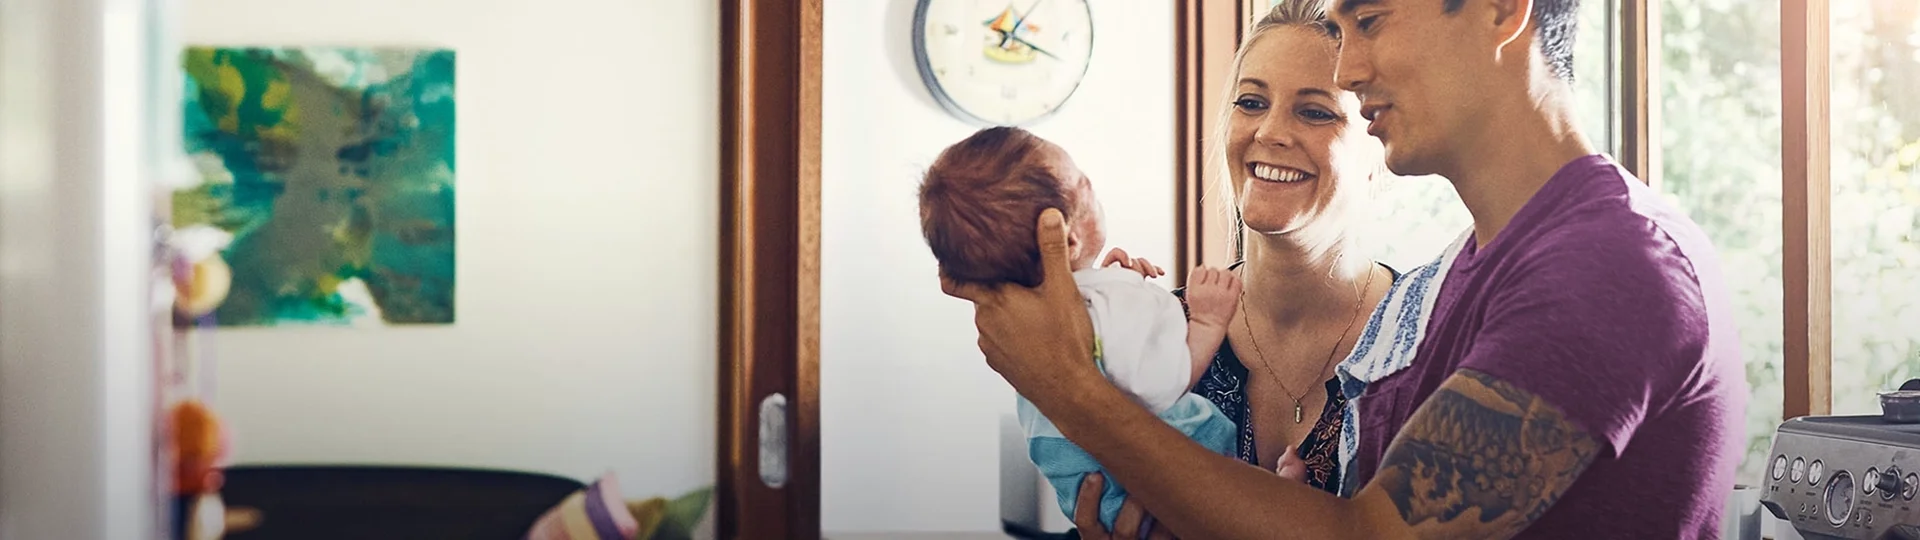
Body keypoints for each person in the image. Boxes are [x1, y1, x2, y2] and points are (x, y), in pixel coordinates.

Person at [941, 0, 1749, 537]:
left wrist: (1066, 385)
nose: (1352, 70)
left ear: (1503, 9)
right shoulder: (1471, 276)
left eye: (1369, 19)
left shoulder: (1604, 268)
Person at [915, 126, 1243, 529]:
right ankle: (1277, 491)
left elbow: (1100, 351)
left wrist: (1119, 284)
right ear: (1067, 240)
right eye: (1087, 187)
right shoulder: (1106, 307)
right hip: (1149, 494)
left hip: (1085, 486)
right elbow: (1160, 386)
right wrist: (1208, 321)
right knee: (1225, 464)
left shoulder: (1026, 329)